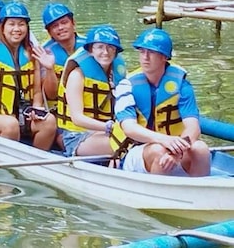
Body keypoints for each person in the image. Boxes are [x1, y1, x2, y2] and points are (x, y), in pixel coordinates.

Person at [112, 28, 210, 177]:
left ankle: (202, 192)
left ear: (164, 57)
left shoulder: (182, 86)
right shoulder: (127, 85)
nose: (145, 57)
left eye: (151, 52)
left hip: (174, 150)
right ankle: (155, 196)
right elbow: (129, 128)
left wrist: (176, 151)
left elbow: (193, 128)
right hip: (138, 151)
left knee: (200, 148)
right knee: (159, 150)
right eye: (142, 52)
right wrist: (165, 141)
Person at [0, 1, 57, 150]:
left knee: (49, 121)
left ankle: (34, 160)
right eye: (12, 24)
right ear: (2, 27)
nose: (17, 29)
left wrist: (37, 109)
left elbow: (36, 92)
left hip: (22, 114)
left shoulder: (31, 53)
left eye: (21, 24)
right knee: (10, 124)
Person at [55, 25, 126, 157]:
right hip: (77, 136)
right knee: (123, 142)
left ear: (116, 51)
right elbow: (77, 118)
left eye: (110, 47)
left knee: (133, 136)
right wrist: (108, 127)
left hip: (106, 131)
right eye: (100, 47)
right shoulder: (77, 75)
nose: (105, 52)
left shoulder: (117, 74)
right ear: (90, 50)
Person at [33, 2, 85, 104]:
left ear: (73, 23)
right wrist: (49, 69)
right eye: (55, 26)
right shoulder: (44, 53)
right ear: (49, 32)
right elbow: (51, 95)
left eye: (64, 22)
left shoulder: (91, 47)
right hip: (59, 106)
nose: (60, 28)